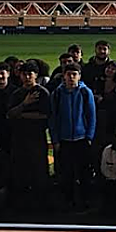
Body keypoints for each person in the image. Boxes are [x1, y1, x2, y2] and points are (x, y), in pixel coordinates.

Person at [49, 64, 97, 211]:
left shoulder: (85, 92)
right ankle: (68, 201)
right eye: (68, 74)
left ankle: (84, 201)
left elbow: (91, 115)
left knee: (84, 173)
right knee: (66, 174)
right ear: (64, 76)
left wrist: (89, 136)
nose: (71, 77)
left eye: (74, 74)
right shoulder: (57, 94)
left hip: (81, 139)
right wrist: (55, 139)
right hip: (64, 140)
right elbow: (53, 119)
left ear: (79, 76)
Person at [7, 62, 51, 210]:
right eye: (24, 74)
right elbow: (10, 115)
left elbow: (45, 116)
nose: (26, 77)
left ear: (36, 75)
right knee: (20, 171)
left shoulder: (42, 93)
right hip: (19, 138)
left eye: (30, 74)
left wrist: (21, 115)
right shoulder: (16, 94)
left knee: (39, 171)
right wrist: (24, 104)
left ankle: (42, 204)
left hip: (37, 138)